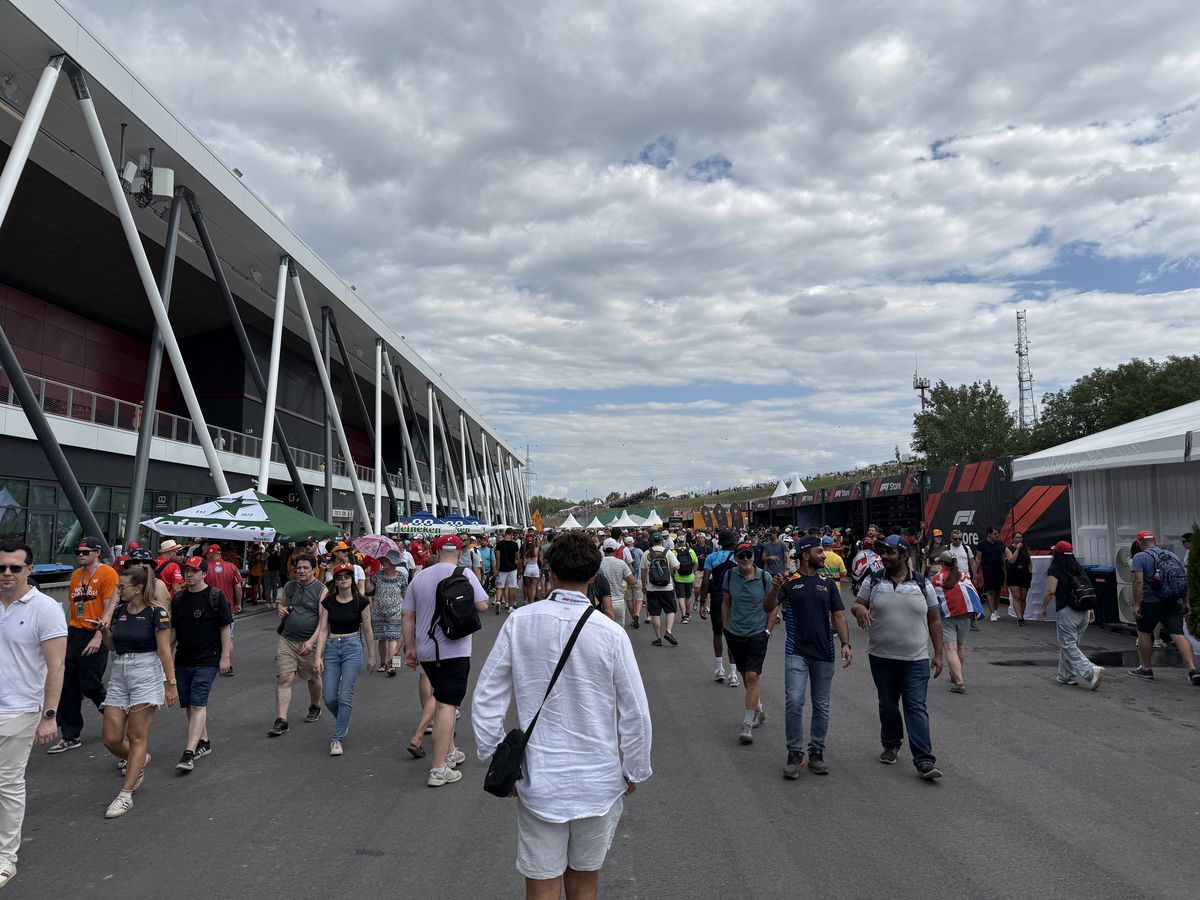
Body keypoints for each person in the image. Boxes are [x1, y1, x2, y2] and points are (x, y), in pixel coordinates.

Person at [472, 532, 652, 900]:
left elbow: (486, 697)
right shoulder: (611, 633)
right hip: (598, 780)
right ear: (593, 577)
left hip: (540, 778)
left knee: (541, 886)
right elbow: (636, 712)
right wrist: (634, 768)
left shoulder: (520, 622)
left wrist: (498, 757)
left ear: (550, 572)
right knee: (585, 884)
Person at [850, 534, 944, 779]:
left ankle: (924, 759)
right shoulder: (873, 580)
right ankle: (891, 743)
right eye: (882, 552)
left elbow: (935, 620)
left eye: (890, 552)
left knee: (915, 705)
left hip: (916, 658)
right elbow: (857, 603)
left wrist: (939, 654)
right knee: (888, 703)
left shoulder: (922, 584)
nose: (884, 556)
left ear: (903, 555)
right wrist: (860, 609)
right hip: (881, 657)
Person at [0, 543, 66, 889]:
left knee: (7, 784)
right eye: (1, 568)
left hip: (21, 710)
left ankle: (5, 858)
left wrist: (49, 716)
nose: (7, 574)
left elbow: (56, 666)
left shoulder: (46, 608)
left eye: (15, 567)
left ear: (30, 569)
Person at [402, 535, 489, 785]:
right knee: (447, 706)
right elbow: (483, 605)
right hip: (455, 648)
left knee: (441, 698)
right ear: (460, 553)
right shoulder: (464, 573)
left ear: (436, 551)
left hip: (426, 650)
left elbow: (407, 615)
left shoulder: (419, 578)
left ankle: (450, 751)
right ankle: (438, 768)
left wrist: (411, 648)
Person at [765, 535, 851, 778]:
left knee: (821, 705)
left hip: (825, 652)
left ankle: (816, 751)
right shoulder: (789, 583)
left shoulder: (828, 584)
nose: (824, 555)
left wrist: (846, 644)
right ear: (805, 555)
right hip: (797, 652)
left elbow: (838, 616)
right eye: (819, 552)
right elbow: (768, 607)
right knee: (794, 701)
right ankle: (794, 753)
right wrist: (775, 589)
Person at [98, 565, 177, 818]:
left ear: (138, 588)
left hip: (146, 672)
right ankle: (139, 759)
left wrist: (171, 684)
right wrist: (104, 632)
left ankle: (125, 795)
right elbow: (113, 645)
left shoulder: (157, 613)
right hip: (120, 671)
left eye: (122, 587)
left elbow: (164, 650)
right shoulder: (120, 611)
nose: (118, 591)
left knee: (136, 736)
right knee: (110, 738)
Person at [47, 536, 118, 754]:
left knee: (90, 683)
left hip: (94, 631)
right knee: (68, 684)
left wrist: (99, 637)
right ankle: (70, 735)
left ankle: (115, 716)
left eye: (85, 552)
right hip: (75, 632)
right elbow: (73, 604)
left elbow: (109, 607)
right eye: (78, 552)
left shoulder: (107, 573)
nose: (80, 555)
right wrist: (64, 632)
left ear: (97, 552)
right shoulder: (76, 575)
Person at [170, 556, 233, 773]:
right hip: (183, 659)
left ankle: (189, 752)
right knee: (189, 705)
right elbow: (174, 631)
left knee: (198, 704)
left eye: (194, 571)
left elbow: (225, 628)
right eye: (187, 570)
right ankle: (204, 741)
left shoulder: (215, 596)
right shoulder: (179, 598)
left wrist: (225, 657)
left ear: (204, 574)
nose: (189, 574)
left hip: (208, 660)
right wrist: (165, 654)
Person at [722, 542, 783, 744]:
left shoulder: (765, 578)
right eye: (741, 556)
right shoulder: (729, 575)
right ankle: (759, 709)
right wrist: (725, 627)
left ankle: (747, 724)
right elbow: (726, 602)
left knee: (752, 676)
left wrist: (768, 630)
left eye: (748, 555)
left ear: (754, 557)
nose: (745, 559)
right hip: (735, 633)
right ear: (736, 558)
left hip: (757, 633)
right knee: (745, 675)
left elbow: (773, 605)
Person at [314, 563, 376, 755]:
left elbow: (368, 629)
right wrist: (318, 656)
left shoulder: (361, 602)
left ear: (352, 579)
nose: (343, 580)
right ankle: (343, 719)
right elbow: (323, 629)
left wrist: (372, 656)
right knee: (329, 697)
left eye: (346, 576)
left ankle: (337, 739)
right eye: (339, 577)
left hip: (352, 648)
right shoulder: (329, 602)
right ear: (335, 581)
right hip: (332, 648)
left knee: (345, 695)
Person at [1127, 531, 1199, 684]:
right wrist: (1185, 602)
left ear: (1139, 543)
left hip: (1151, 602)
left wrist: (1137, 604)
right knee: (1178, 634)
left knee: (1144, 632)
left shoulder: (1140, 557)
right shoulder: (1172, 556)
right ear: (1155, 540)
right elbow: (1183, 580)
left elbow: (1138, 581)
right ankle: (1192, 669)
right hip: (1173, 601)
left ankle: (1146, 669)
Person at [269, 554, 325, 737]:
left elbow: (323, 622)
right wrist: (281, 610)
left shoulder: (321, 590)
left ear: (314, 569)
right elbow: (282, 604)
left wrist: (312, 642)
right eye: (298, 567)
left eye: (305, 568)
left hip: (309, 642)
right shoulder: (290, 586)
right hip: (287, 640)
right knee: (284, 678)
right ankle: (281, 720)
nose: (301, 571)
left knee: (312, 676)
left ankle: (315, 705)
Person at [1037, 541, 1105, 689]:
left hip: (1067, 610)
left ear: (1056, 554)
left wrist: (1043, 607)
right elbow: (1087, 588)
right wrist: (1091, 609)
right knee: (1071, 644)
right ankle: (1066, 676)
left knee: (1067, 644)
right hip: (1083, 610)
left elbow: (1051, 591)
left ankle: (1090, 670)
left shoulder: (1055, 568)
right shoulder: (1078, 567)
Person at [931, 551, 982, 693]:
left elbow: (933, 599)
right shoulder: (963, 575)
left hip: (948, 616)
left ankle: (959, 682)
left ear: (942, 563)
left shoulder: (937, 578)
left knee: (951, 648)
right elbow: (971, 592)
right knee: (959, 647)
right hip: (965, 614)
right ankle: (955, 674)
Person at [699, 530, 738, 685]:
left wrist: (702, 602)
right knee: (732, 634)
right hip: (734, 599)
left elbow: (705, 581)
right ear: (733, 543)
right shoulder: (739, 557)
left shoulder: (711, 557)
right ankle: (733, 674)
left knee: (717, 633)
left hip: (717, 598)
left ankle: (720, 668)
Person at [370, 551, 408, 676]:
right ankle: (383, 663)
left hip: (396, 611)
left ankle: (393, 666)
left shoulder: (401, 576)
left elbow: (406, 594)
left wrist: (407, 611)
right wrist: (367, 576)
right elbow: (369, 590)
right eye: (383, 561)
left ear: (394, 563)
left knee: (394, 638)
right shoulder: (378, 575)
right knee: (382, 638)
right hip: (379, 611)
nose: (384, 563)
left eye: (387, 561)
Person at [640, 532, 679, 646]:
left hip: (652, 588)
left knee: (654, 613)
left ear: (651, 541)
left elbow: (643, 571)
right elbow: (677, 566)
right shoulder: (667, 552)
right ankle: (668, 631)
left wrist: (644, 585)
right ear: (662, 540)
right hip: (667, 587)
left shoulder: (646, 553)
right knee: (670, 610)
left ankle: (658, 637)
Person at [598, 540, 636, 626]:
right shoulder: (621, 563)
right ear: (616, 550)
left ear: (603, 550)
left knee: (604, 628)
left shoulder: (598, 564)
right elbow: (632, 581)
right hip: (618, 600)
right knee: (619, 629)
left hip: (602, 602)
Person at [203, 544, 244, 615]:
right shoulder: (232, 567)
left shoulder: (204, 568)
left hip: (209, 609)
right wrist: (239, 604)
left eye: (206, 555)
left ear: (209, 555)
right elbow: (238, 587)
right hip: (228, 608)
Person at [978, 527, 1006, 622]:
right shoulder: (982, 544)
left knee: (998, 591)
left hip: (999, 570)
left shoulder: (1000, 543)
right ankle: (992, 612)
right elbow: (978, 558)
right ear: (989, 534)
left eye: (997, 533)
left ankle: (995, 610)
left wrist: (1005, 569)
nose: (997, 535)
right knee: (990, 591)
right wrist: (975, 572)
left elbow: (1003, 557)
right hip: (987, 570)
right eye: (995, 533)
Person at [1005, 532, 1033, 624]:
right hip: (1014, 574)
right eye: (1017, 537)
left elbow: (1029, 561)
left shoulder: (1026, 548)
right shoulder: (1008, 548)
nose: (1019, 539)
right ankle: (1019, 618)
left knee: (1023, 597)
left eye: (1021, 537)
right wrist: (1017, 549)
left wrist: (1030, 570)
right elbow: (1011, 560)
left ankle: (1022, 615)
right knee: (1016, 596)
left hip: (1025, 574)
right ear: (1013, 539)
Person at [673, 538, 698, 623]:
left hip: (678, 578)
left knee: (681, 597)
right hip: (689, 577)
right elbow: (696, 563)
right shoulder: (691, 551)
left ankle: (683, 616)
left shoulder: (674, 552)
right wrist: (693, 573)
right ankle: (688, 613)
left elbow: (672, 565)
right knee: (688, 597)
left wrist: (673, 575)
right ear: (685, 542)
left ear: (677, 543)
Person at [495, 528, 520, 612]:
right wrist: (517, 564)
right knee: (512, 587)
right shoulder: (514, 544)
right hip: (512, 568)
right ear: (511, 534)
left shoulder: (499, 544)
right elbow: (517, 557)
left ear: (505, 533)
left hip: (502, 568)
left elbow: (497, 558)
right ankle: (510, 606)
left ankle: (498, 601)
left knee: (500, 587)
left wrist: (497, 569)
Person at [521, 534, 541, 605]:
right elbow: (539, 559)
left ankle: (530, 602)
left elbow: (524, 563)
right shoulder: (537, 549)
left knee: (528, 587)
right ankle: (532, 602)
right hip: (535, 568)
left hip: (528, 568)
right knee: (534, 587)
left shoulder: (526, 551)